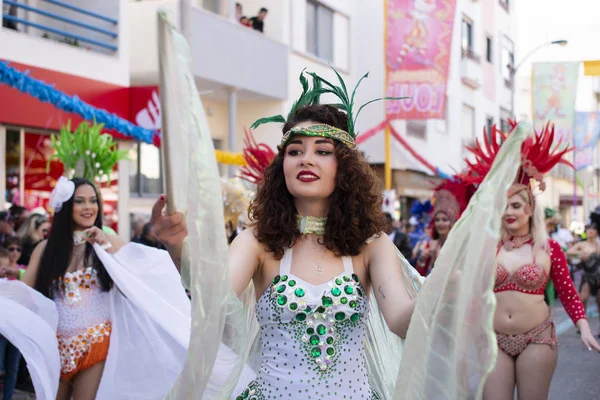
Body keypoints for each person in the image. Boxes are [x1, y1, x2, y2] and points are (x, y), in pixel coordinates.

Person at [152, 68, 424, 399]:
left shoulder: (372, 246)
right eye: (295, 151)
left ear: (345, 166)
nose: (305, 160)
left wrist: (445, 290)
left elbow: (400, 320)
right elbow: (215, 294)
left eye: (322, 151)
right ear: (282, 166)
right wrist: (178, 244)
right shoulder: (258, 242)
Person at [0, 177, 191, 400]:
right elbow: (24, 291)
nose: (88, 207)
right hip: (57, 347)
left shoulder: (106, 240)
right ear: (66, 206)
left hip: (97, 345)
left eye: (93, 201)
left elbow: (133, 285)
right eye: (80, 201)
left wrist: (107, 249)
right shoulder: (46, 249)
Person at [458, 121, 600, 400]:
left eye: (516, 205)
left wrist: (584, 327)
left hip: (537, 339)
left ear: (530, 208)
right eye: (504, 205)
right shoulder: (487, 247)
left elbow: (569, 293)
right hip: (493, 339)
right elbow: (472, 292)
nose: (509, 212)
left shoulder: (550, 249)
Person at [412, 179, 475, 276]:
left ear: (452, 222)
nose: (440, 223)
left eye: (444, 220)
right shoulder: (430, 244)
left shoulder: (458, 245)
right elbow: (420, 274)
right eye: (437, 220)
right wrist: (422, 260)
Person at [566, 219, 600, 332]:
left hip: (598, 275)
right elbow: (569, 252)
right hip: (587, 276)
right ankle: (582, 325)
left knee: (599, 302)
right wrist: (581, 253)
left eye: (593, 229)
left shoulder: (598, 244)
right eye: (589, 229)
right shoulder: (582, 244)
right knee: (583, 299)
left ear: (596, 231)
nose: (591, 231)